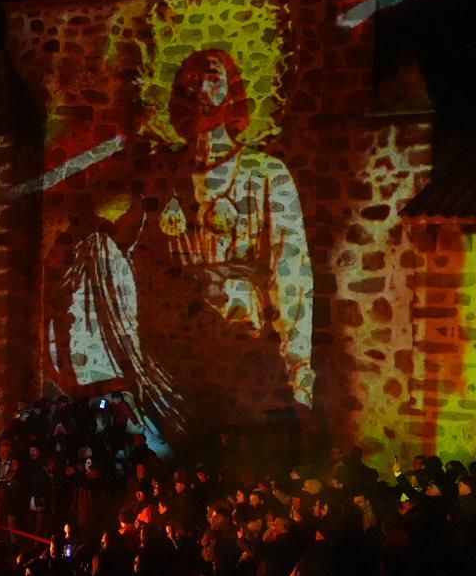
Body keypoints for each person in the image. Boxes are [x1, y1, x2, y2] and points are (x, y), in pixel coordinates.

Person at [47, 47, 313, 453]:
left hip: (240, 340)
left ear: (233, 89)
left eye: (212, 77)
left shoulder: (266, 176)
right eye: (190, 81)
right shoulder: (162, 176)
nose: (201, 89)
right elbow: (126, 242)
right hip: (171, 347)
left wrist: (301, 374)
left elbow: (292, 278)